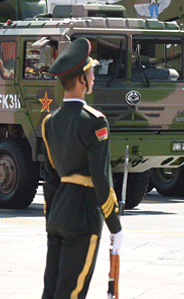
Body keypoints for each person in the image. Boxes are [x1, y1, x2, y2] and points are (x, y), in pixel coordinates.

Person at [40, 37, 123, 299]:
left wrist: (51, 220)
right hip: (83, 214)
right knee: (72, 292)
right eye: (91, 72)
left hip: (57, 215)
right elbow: (101, 178)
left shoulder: (50, 122)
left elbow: (50, 179)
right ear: (81, 80)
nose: (94, 77)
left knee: (51, 290)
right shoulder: (94, 122)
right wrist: (115, 224)